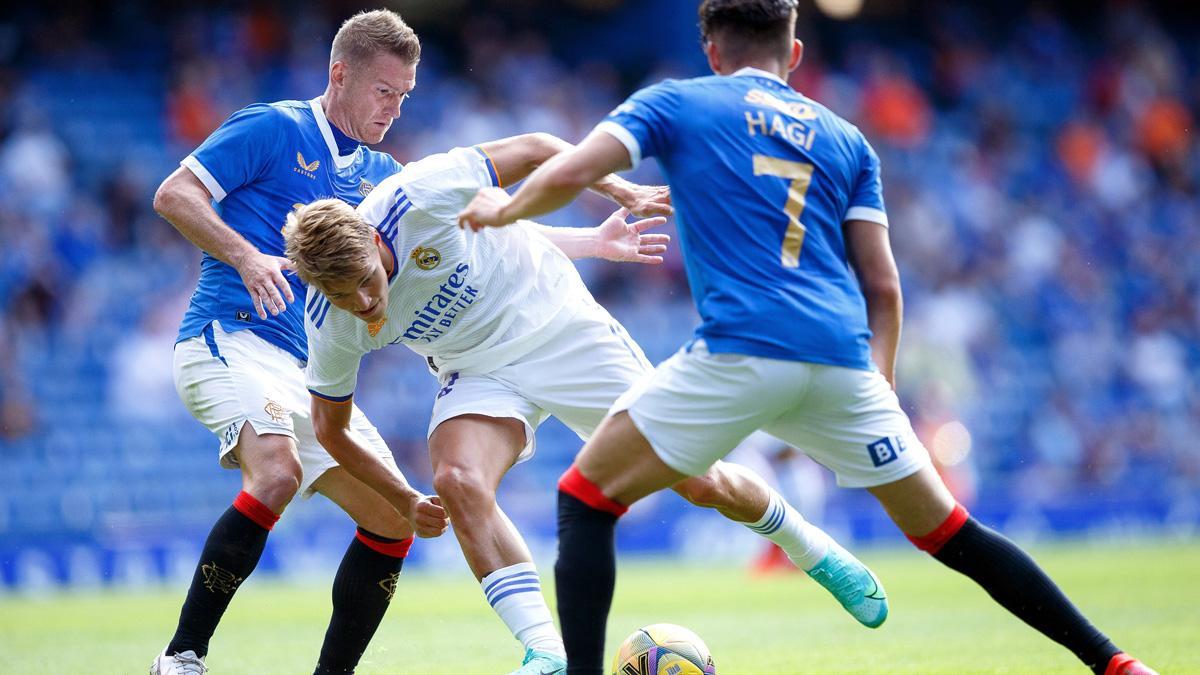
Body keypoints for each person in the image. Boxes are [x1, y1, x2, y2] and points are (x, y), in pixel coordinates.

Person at [455, 2, 1160, 674]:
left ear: (711, 49)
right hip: (842, 357)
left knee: (585, 495)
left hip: (737, 349)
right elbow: (882, 285)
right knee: (953, 533)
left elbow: (575, 168)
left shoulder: (676, 101)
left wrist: (503, 208)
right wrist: (878, 376)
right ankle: (1113, 659)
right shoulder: (846, 137)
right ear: (793, 52)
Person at [285, 133, 889, 675]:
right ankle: (546, 654)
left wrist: (621, 193)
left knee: (700, 483)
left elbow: (539, 148)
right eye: (340, 293)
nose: (362, 301)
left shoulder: (416, 196)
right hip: (479, 369)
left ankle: (815, 551)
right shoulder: (329, 322)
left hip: (563, 329)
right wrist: (402, 498)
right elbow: (330, 430)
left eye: (366, 278)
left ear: (371, 236)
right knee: (457, 479)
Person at [150, 10, 448, 675]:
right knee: (278, 470)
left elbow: (448, 244)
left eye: (404, 96)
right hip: (227, 336)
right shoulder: (274, 127)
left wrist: (587, 240)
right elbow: (174, 194)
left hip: (306, 372)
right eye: (383, 91)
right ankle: (180, 659)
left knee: (395, 516)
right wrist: (248, 257)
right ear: (340, 74)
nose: (394, 108)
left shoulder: (382, 175)